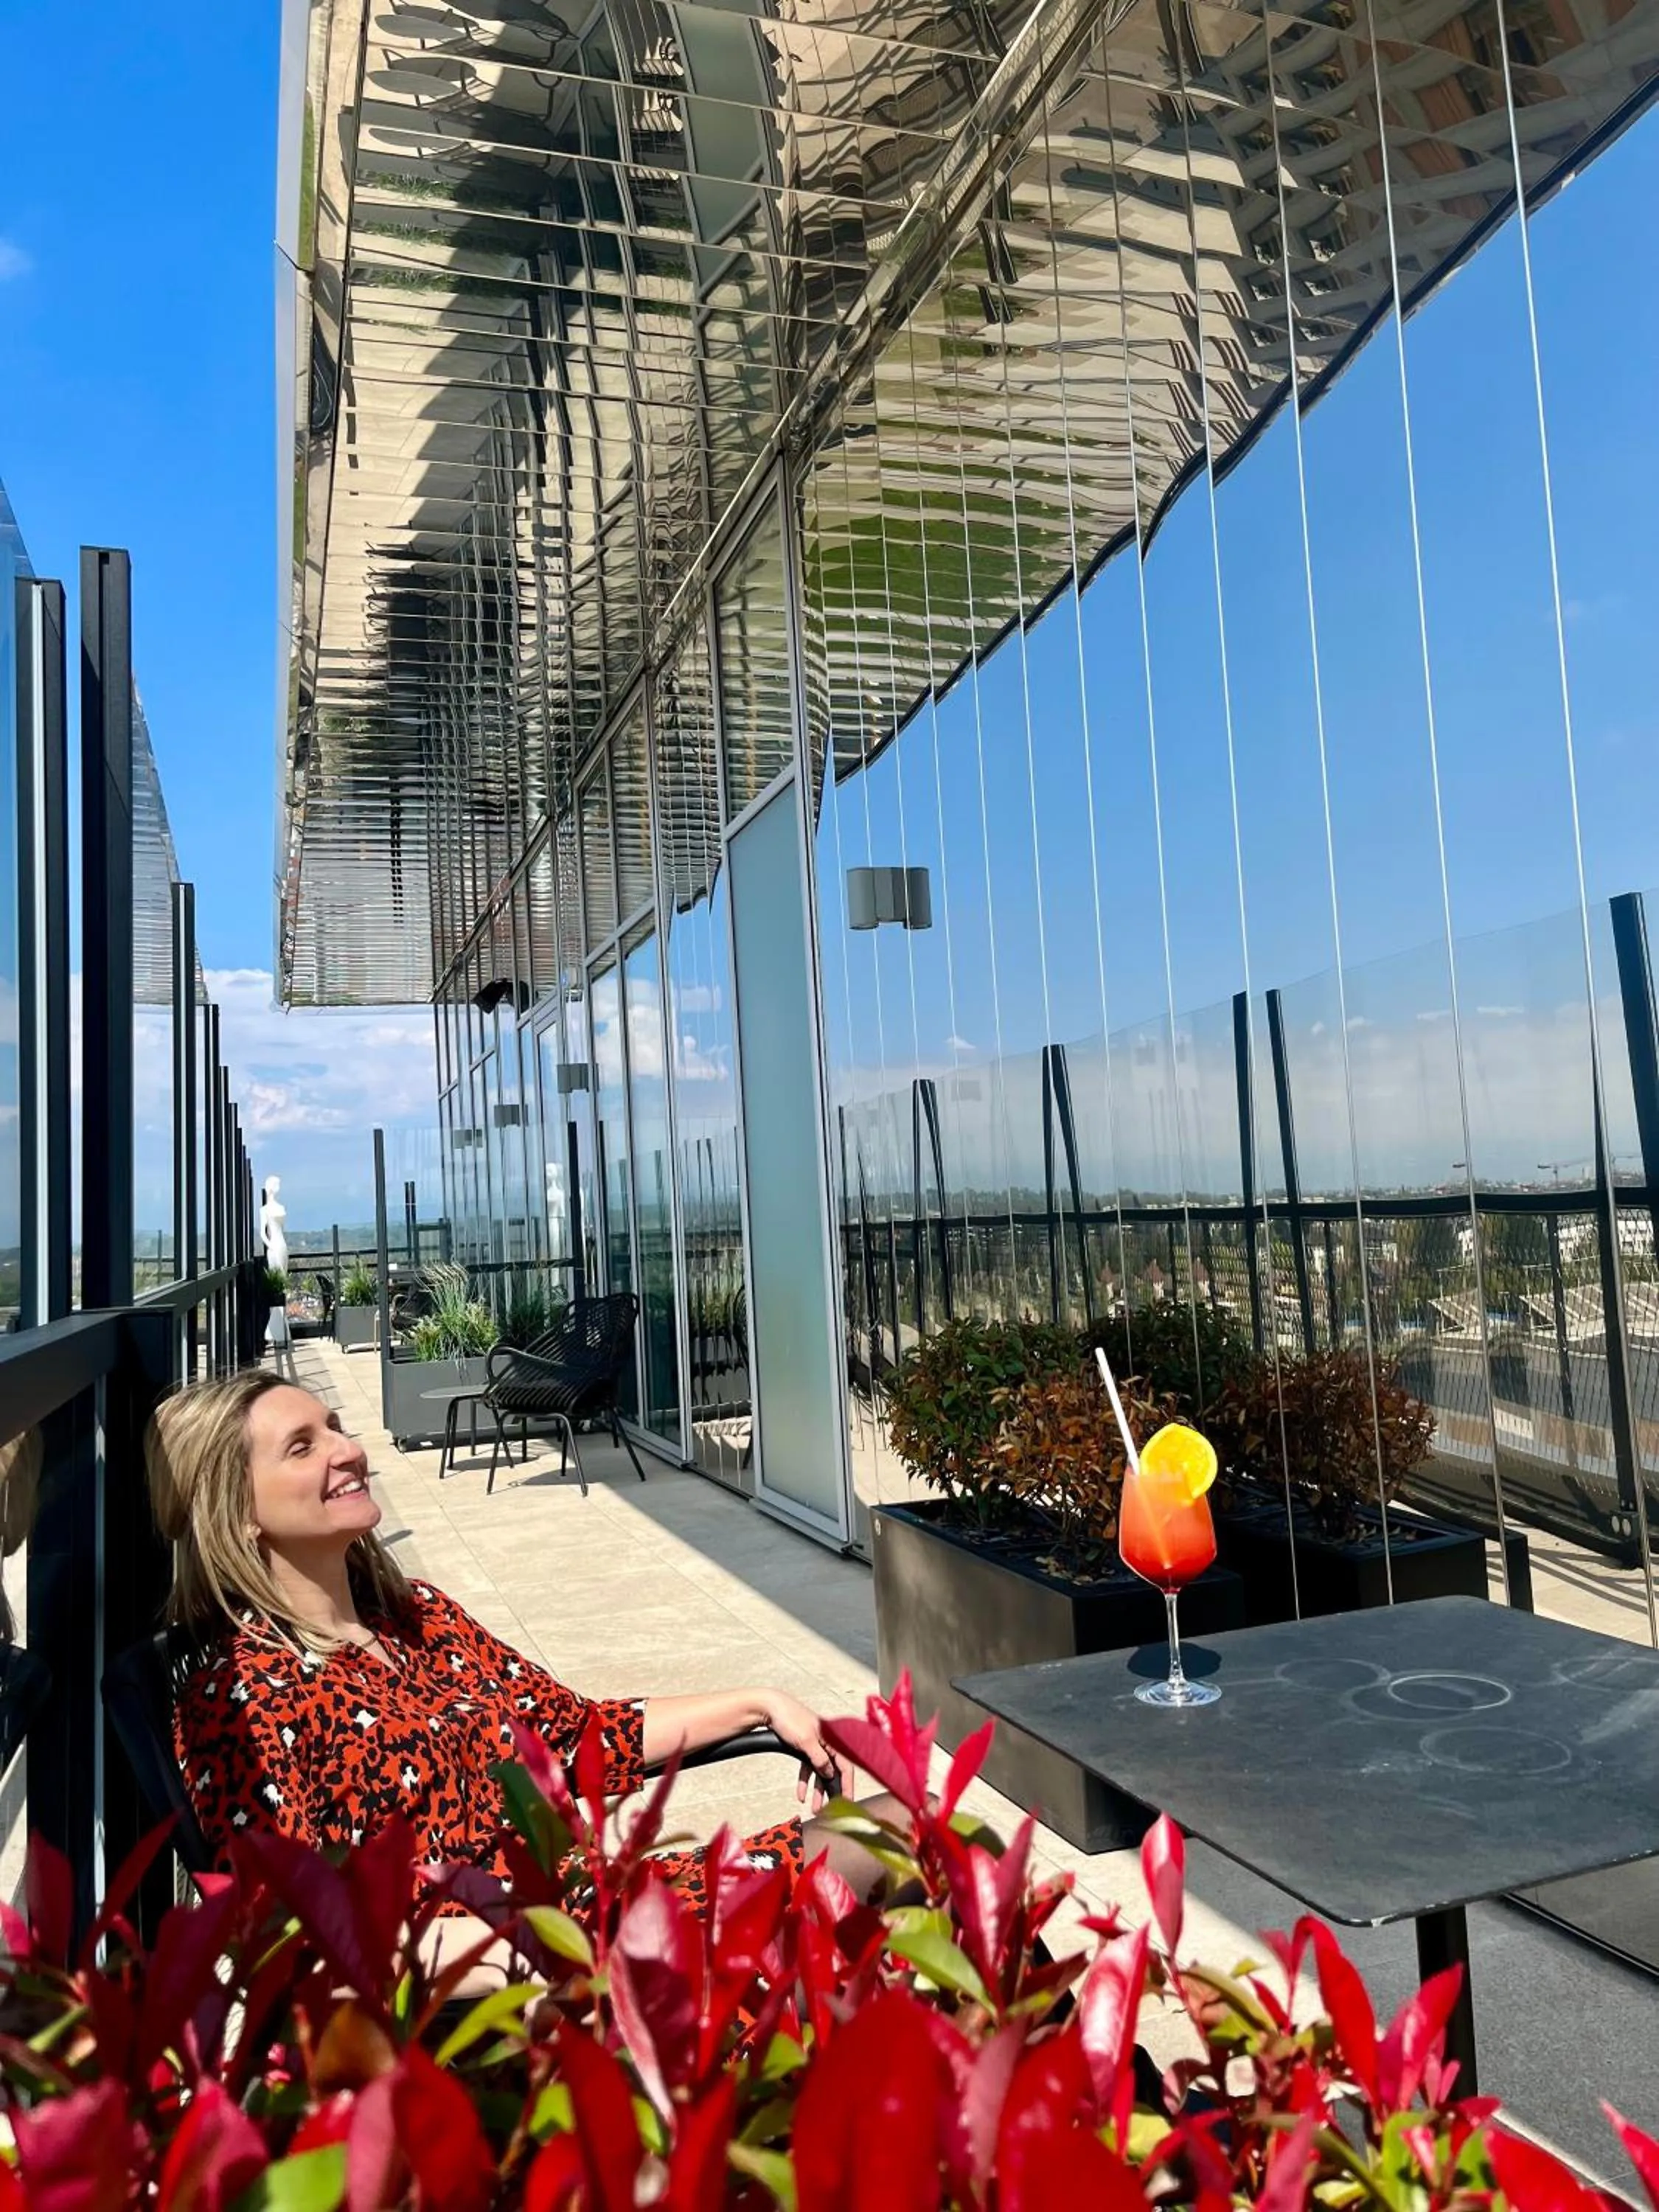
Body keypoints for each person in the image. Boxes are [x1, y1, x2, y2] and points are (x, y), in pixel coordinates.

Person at [145, 1371, 904, 1992]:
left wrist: (757, 1702)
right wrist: (550, 1957)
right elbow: (299, 1951)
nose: (347, 1450)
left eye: (337, 1426)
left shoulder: (420, 1621)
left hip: (604, 1912)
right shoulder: (243, 1701)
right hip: (531, 1983)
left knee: (916, 1833)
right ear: (238, 1510)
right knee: (898, 1891)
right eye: (303, 1447)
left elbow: (578, 1735)